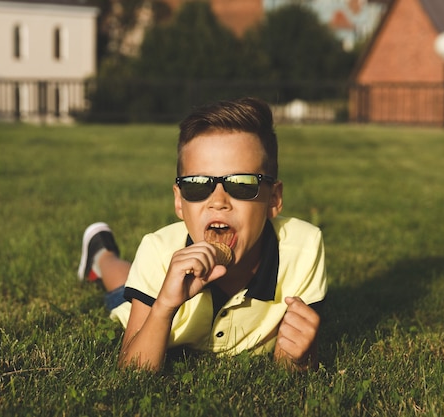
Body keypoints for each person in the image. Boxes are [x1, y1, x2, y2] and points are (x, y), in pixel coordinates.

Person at [77, 97, 327, 372]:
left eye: (242, 184)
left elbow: (293, 362)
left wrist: (299, 358)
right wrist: (163, 306)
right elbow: (133, 370)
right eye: (197, 186)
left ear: (274, 199)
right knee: (119, 290)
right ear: (179, 200)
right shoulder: (159, 251)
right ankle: (101, 255)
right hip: (153, 311)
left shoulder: (303, 247)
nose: (218, 201)